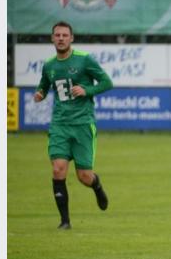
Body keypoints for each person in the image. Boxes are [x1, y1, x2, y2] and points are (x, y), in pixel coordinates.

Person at [34, 21, 113, 229]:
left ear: (71, 38)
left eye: (64, 35)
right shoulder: (49, 65)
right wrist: (40, 93)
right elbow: (44, 84)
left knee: (83, 176)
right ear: (52, 39)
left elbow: (107, 82)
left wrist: (87, 90)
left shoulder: (84, 60)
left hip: (83, 124)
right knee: (58, 169)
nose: (60, 38)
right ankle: (65, 222)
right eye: (57, 35)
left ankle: (96, 185)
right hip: (60, 124)